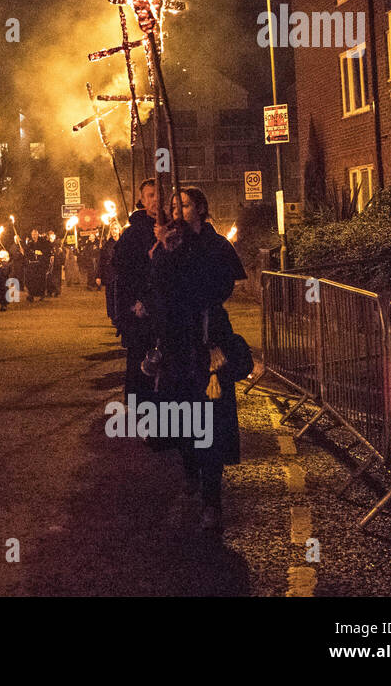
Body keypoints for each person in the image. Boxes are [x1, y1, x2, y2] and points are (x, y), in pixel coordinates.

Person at [147, 186, 247, 534]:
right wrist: (165, 252)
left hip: (207, 340)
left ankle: (211, 500)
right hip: (177, 343)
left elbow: (214, 288)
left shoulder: (215, 246)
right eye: (173, 205)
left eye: (185, 205)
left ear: (201, 209)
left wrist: (181, 256)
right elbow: (160, 289)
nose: (177, 211)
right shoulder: (168, 245)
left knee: (212, 424)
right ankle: (190, 468)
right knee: (183, 419)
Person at [113, 179, 159, 401]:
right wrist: (133, 303)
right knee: (139, 357)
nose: (155, 200)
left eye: (158, 194)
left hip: (162, 305)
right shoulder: (131, 234)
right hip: (138, 307)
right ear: (142, 199)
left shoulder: (172, 227)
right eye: (150, 195)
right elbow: (122, 271)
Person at [23, 229, 48, 301]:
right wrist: (24, 252)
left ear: (37, 234)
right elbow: (27, 252)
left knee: (40, 280)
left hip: (40, 265)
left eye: (35, 234)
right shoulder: (30, 243)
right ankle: (31, 295)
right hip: (32, 265)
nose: (34, 236)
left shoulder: (43, 242)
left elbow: (47, 251)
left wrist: (41, 252)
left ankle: (41, 295)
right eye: (32, 235)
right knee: (31, 280)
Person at [45, 231, 62, 296]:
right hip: (49, 264)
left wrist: (61, 251)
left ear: (54, 236)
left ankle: (56, 291)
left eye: (53, 235)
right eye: (50, 235)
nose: (51, 237)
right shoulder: (47, 244)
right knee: (49, 278)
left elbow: (62, 255)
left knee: (56, 278)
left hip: (56, 264)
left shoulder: (58, 244)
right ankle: (49, 292)